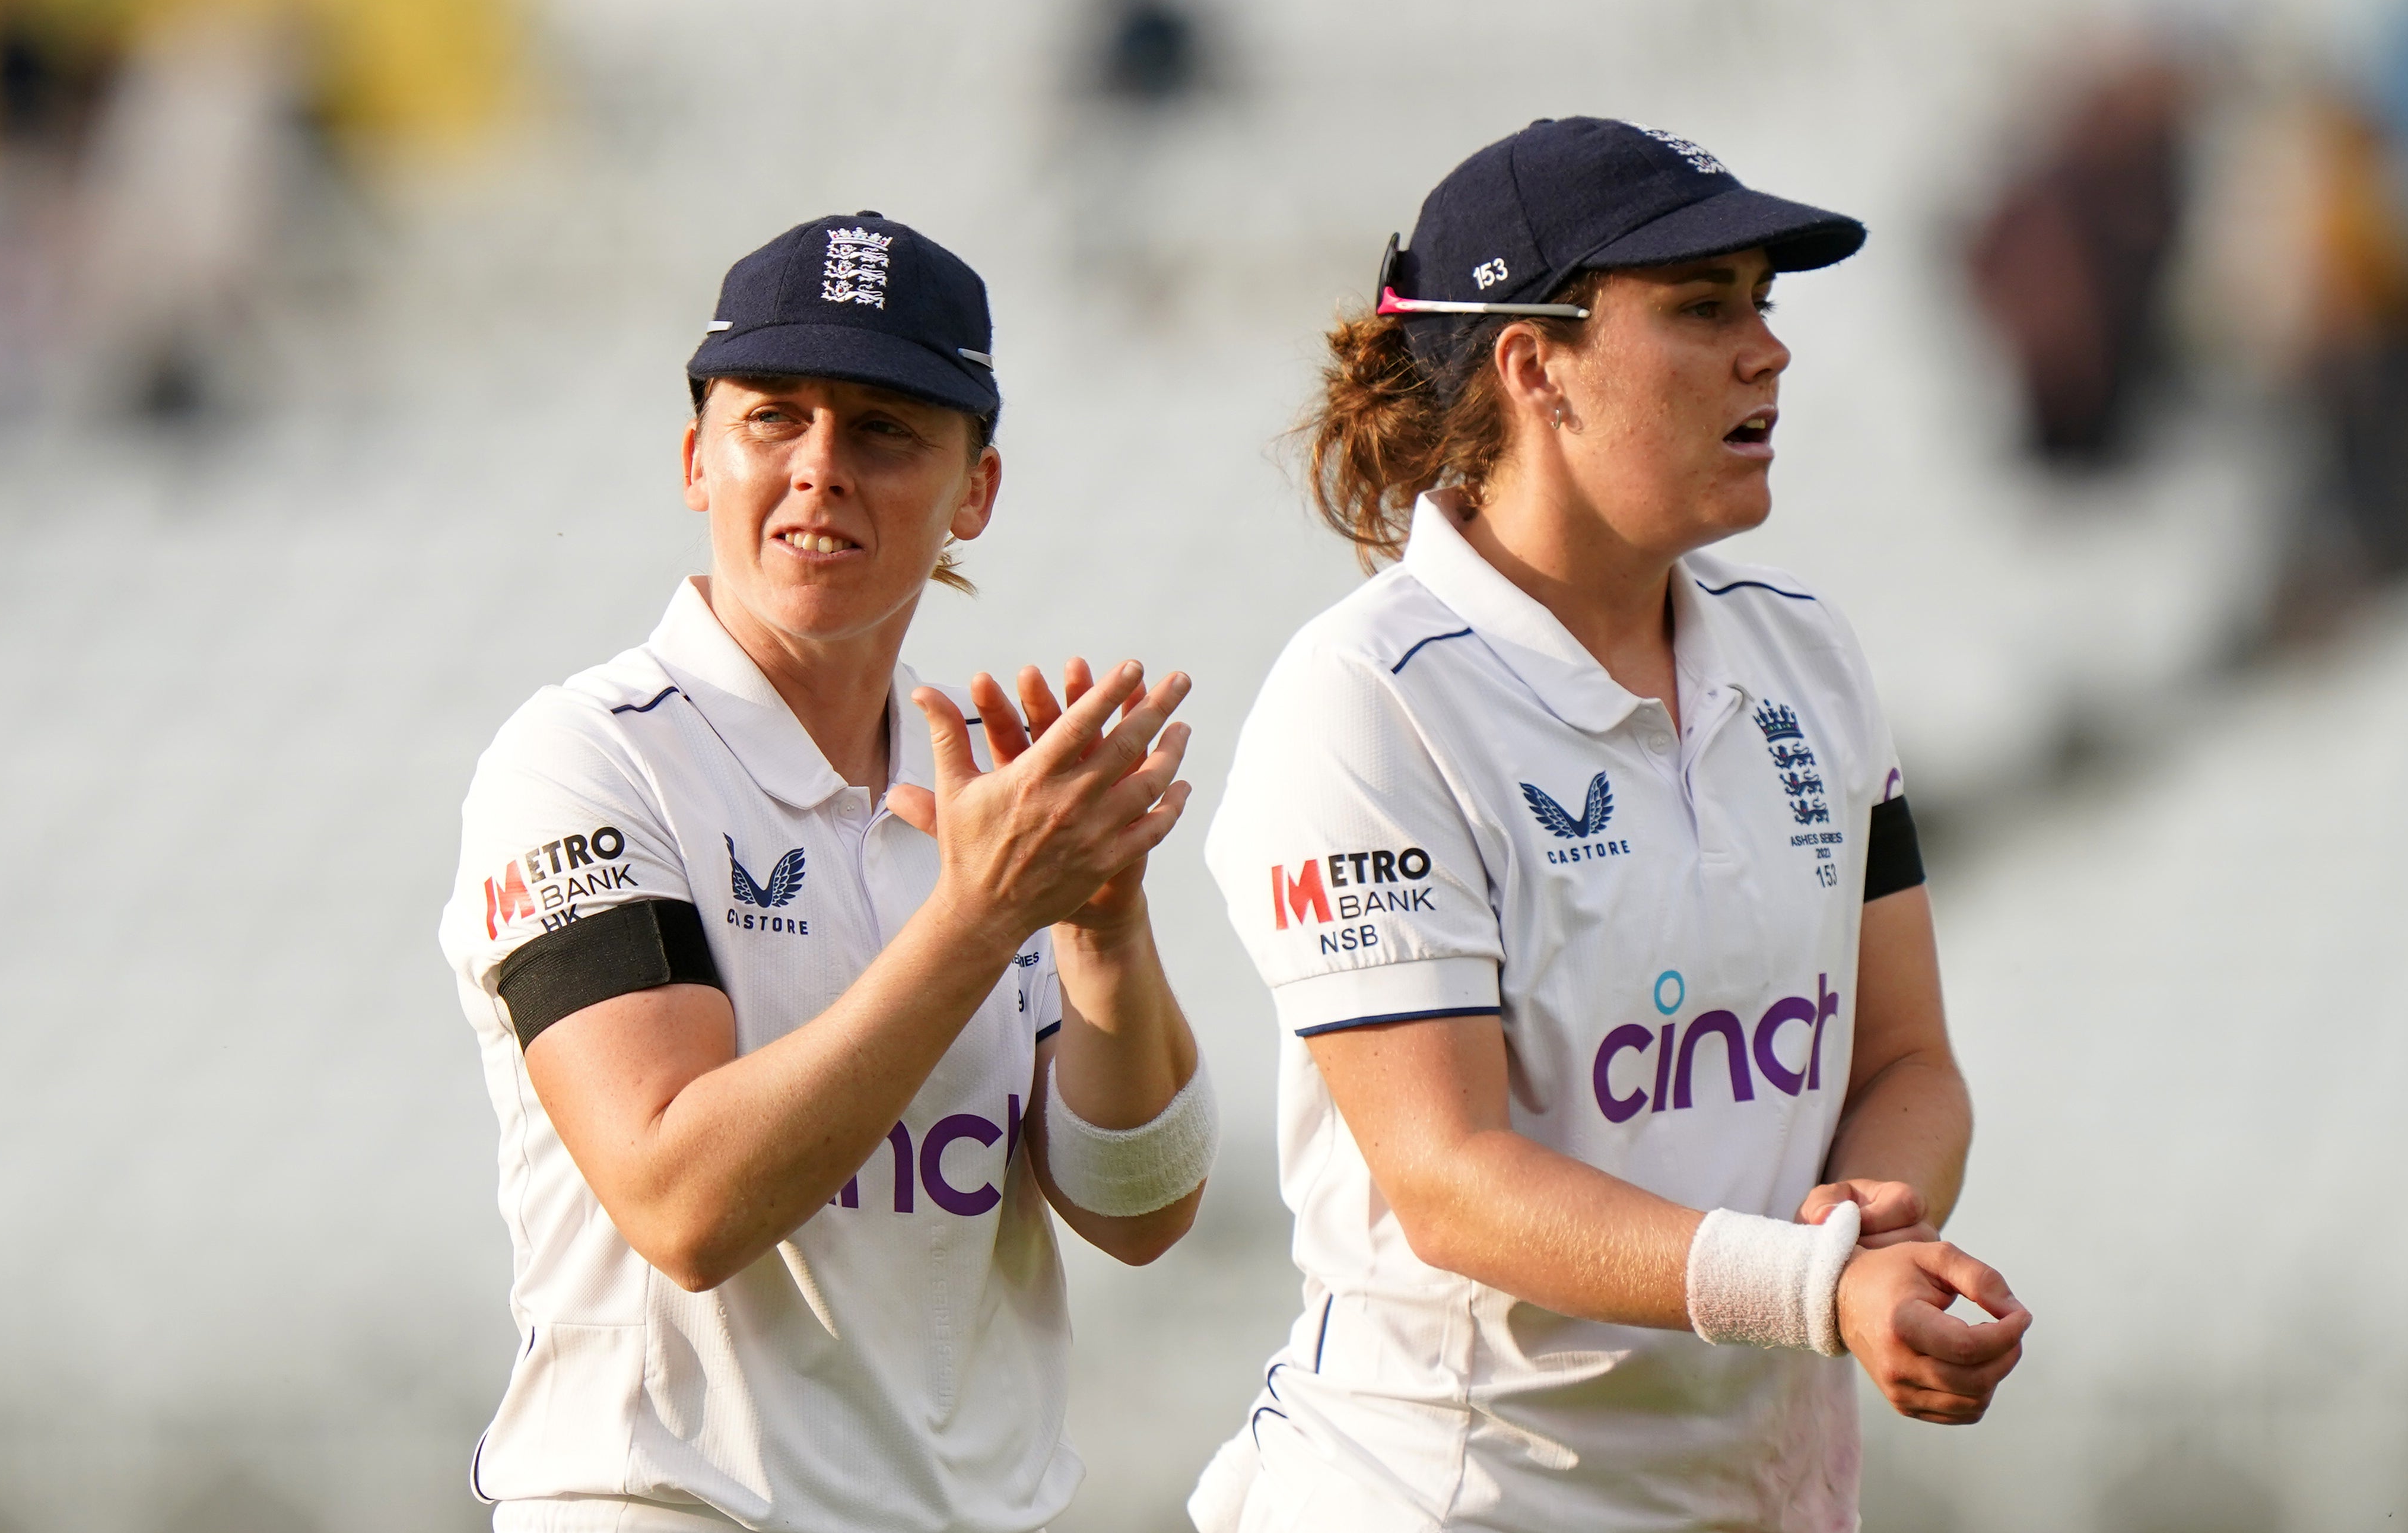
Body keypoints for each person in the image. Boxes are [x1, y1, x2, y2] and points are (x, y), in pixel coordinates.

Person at [1189, 119, 2029, 1533]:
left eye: (1762, 302)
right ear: (1535, 367)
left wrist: (1879, 1221)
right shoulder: (1365, 702)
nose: (1766, 349)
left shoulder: (1808, 659)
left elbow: (1902, 1055)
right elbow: (1454, 1182)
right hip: (1438, 1500)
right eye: (1703, 308)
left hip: (1758, 1494)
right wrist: (1823, 1289)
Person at [440, 213, 1218, 1533]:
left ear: (976, 490)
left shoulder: (977, 784)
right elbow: (680, 1201)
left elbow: (1138, 1210)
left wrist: (1098, 933)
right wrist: (979, 919)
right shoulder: (583, 762)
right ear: (697, 458)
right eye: (772, 419)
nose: (819, 469)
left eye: (883, 430)